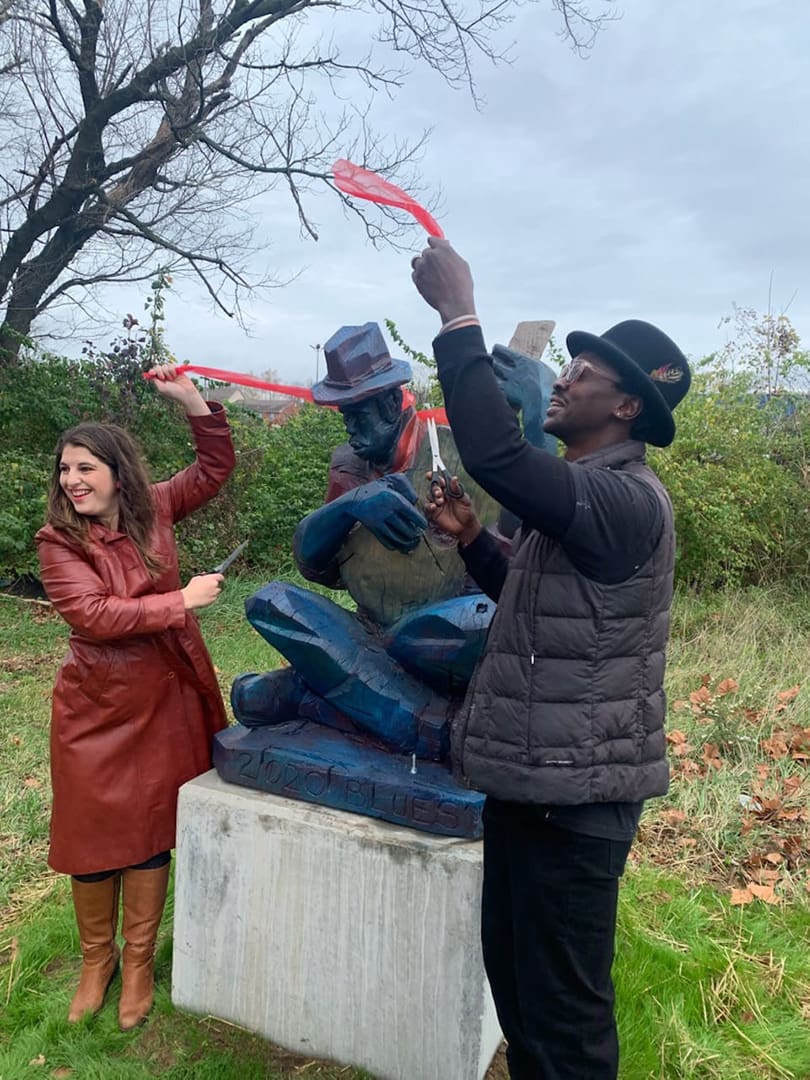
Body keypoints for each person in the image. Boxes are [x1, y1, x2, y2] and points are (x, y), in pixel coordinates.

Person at [411, 236, 691, 1080]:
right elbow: (544, 611)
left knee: (565, 1023)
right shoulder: (572, 503)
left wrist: (459, 315)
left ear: (627, 408)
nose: (563, 379)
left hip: (576, 801)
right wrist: (472, 543)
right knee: (522, 995)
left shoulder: (621, 497)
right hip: (531, 785)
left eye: (585, 374)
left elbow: (497, 455)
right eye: (566, 368)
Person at [35, 366, 235, 1030]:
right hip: (95, 708)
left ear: (117, 471)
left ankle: (140, 961)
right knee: (91, 836)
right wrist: (179, 601)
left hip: (163, 697)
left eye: (86, 467)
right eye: (66, 470)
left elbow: (212, 469)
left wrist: (192, 402)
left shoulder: (156, 506)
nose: (73, 481)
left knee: (150, 831)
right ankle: (99, 962)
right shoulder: (58, 540)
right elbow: (94, 614)